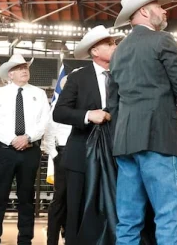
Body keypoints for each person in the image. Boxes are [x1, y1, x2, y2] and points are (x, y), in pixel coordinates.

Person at [108, 0, 177, 245]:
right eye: (158, 5)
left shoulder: (118, 51)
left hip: (125, 142)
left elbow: (113, 102)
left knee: (128, 219)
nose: (164, 9)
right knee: (169, 214)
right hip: (158, 137)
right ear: (144, 11)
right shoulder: (162, 39)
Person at [53, 25, 118, 244]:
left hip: (116, 154)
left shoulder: (123, 76)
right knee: (76, 209)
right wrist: (89, 114)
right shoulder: (78, 78)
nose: (115, 46)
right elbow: (59, 112)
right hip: (81, 154)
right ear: (95, 52)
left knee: (113, 209)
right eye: (109, 44)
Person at [0, 55, 50, 245]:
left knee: (27, 198)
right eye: (20, 68)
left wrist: (27, 137)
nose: (24, 70)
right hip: (4, 151)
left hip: (30, 151)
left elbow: (44, 121)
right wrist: (13, 140)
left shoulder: (38, 93)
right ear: (10, 74)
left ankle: (25, 240)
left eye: (26, 67)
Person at [43, 83, 71, 245]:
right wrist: (56, 157)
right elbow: (49, 134)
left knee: (74, 199)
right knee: (60, 199)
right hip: (63, 153)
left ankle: (70, 236)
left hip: (82, 154)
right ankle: (52, 240)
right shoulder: (57, 105)